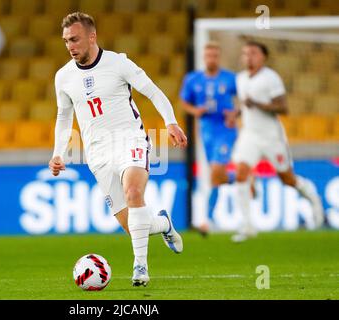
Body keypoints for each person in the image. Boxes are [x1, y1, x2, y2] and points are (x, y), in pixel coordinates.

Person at [49, 12, 188, 287]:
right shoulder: (63, 77)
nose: (70, 46)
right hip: (97, 153)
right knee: (131, 226)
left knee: (134, 192)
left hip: (130, 140)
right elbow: (64, 116)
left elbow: (154, 92)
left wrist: (170, 122)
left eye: (75, 39)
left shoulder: (118, 63)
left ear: (92, 37)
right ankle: (163, 224)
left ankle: (140, 267)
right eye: (66, 41)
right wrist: (58, 152)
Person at [232, 41, 324, 242]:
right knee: (240, 173)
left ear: (263, 57)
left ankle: (314, 199)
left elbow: (283, 108)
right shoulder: (240, 79)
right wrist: (237, 113)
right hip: (249, 135)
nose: (248, 57)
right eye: (245, 53)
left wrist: (256, 103)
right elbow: (246, 105)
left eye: (253, 53)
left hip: (271, 136)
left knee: (287, 179)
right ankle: (248, 226)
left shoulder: (270, 78)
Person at [179, 42, 238, 235]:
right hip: (206, 131)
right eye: (208, 55)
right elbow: (183, 102)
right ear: (204, 58)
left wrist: (236, 113)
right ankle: (242, 177)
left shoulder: (230, 78)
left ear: (218, 57)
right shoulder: (193, 79)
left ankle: (208, 220)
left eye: (214, 55)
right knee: (216, 175)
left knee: (216, 171)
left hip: (225, 129)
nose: (211, 59)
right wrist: (195, 110)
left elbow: (245, 99)